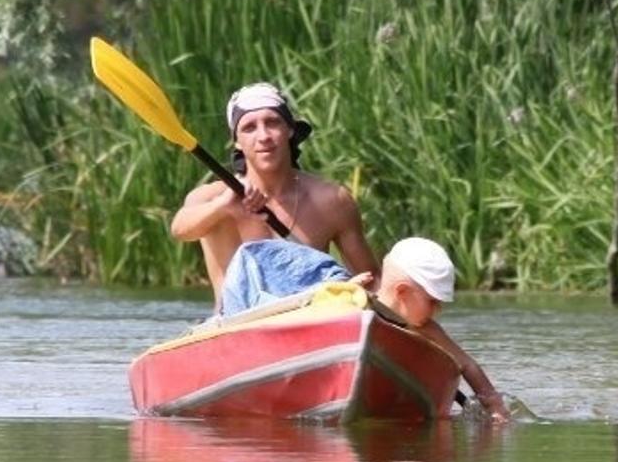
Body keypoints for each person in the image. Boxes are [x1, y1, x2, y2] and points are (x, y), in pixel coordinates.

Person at [171, 82, 377, 311]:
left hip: (312, 315)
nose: (264, 136)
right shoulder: (211, 197)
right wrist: (223, 207)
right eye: (249, 127)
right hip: (237, 321)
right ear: (237, 141)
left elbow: (372, 280)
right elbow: (180, 230)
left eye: (272, 122)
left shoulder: (332, 200)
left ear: (289, 129)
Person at [373, 237, 510, 424]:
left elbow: (467, 365)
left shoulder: (426, 328)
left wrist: (494, 405)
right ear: (402, 291)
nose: (438, 310)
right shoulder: (358, 306)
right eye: (432, 301)